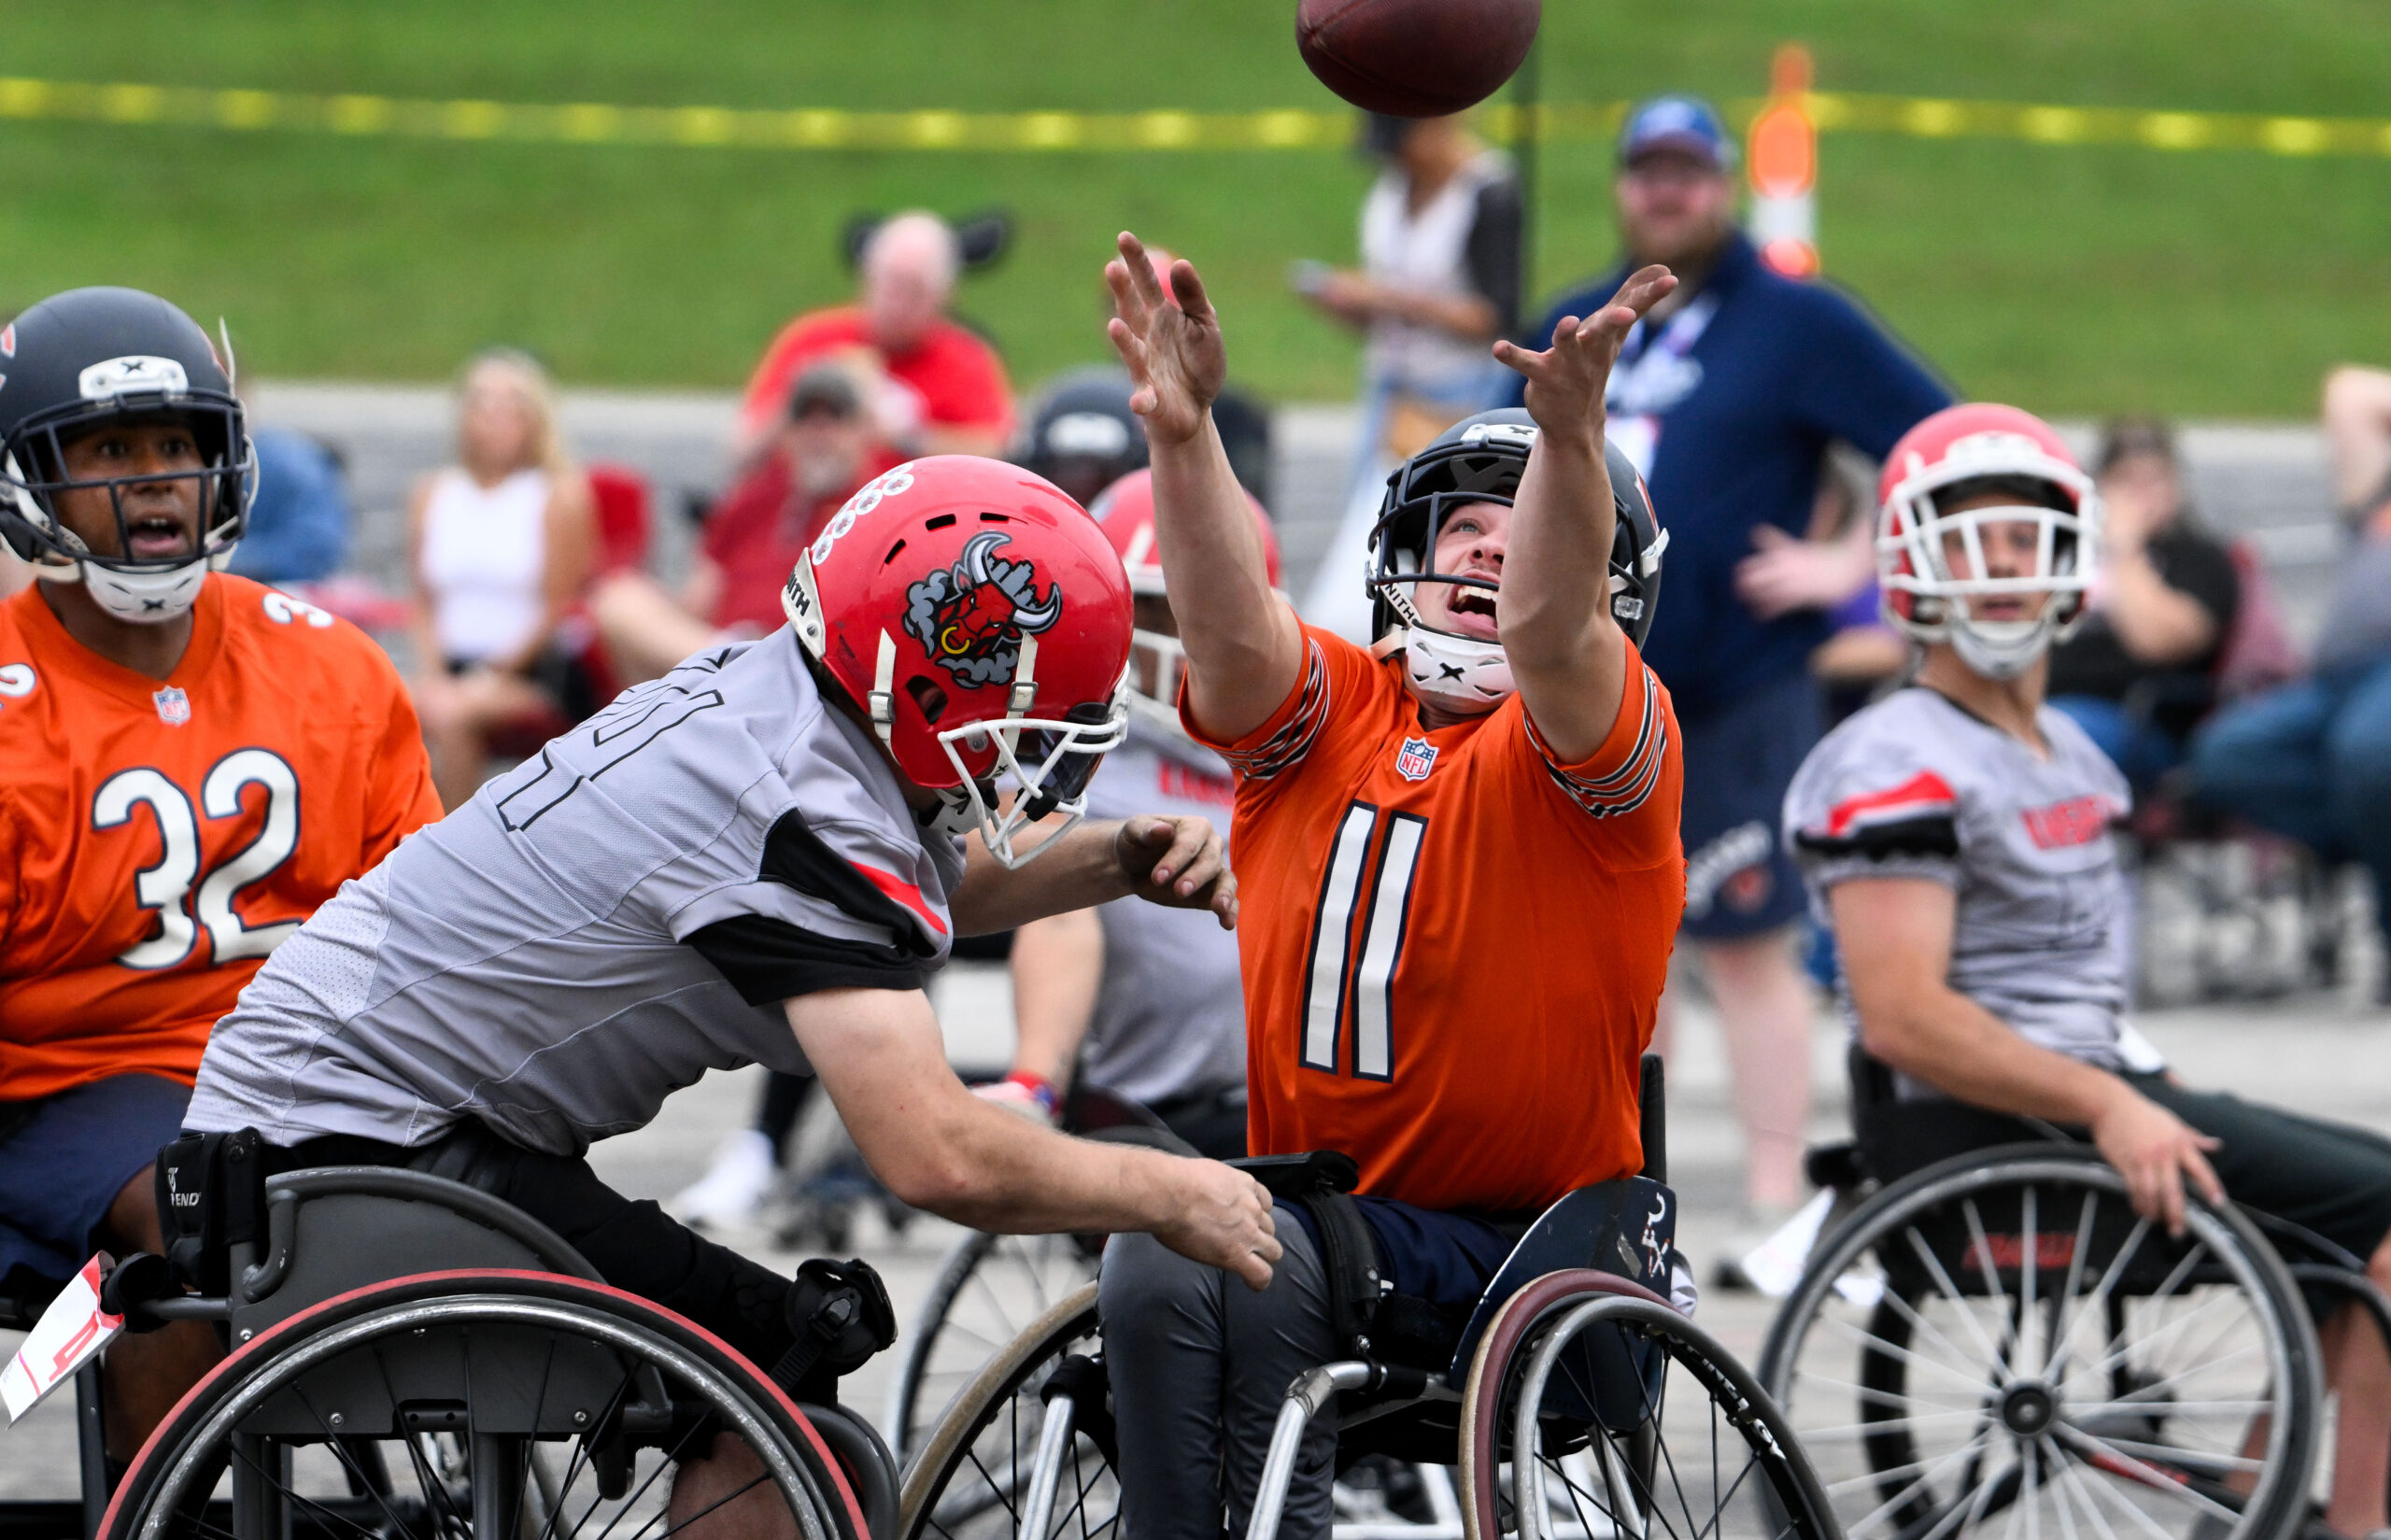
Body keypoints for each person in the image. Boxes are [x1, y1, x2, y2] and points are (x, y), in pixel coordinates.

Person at [182, 452, 1280, 1530]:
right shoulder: (803, 818)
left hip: (339, 1107)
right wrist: (1178, 1191)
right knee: (787, 1361)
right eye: (1034, 721)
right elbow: (937, 1153)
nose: (1039, 755)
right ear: (937, 679)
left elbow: (903, 894)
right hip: (360, 1142)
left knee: (756, 1336)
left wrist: (1109, 860)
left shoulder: (775, 691)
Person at [1096, 231, 1683, 1540]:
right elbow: (1231, 632)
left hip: (1530, 1247)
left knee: (1241, 1254)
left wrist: (1570, 448)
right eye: (1462, 528)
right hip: (1312, 1210)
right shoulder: (1336, 707)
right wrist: (1184, 438)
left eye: (1516, 532)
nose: (1484, 555)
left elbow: (1549, 630)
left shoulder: (1599, 744)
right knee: (1154, 1241)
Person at [1786, 402, 2390, 1538]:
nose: (2001, 567)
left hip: (2082, 1085)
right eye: (1970, 540)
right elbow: (1906, 1017)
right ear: (1915, 565)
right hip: (2001, 1122)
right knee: (2386, 1210)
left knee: (2352, 1193)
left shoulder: (2066, 745)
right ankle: (2349, 1526)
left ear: (2070, 556)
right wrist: (2112, 1099)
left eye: (2023, 537)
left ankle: (2267, 1501)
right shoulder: (1893, 754)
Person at [0, 287, 442, 1450]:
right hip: (71, 1084)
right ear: (31, 477)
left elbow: (427, 924)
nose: (150, 478)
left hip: (309, 1060)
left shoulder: (333, 669)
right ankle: (180, 1504)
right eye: (107, 449)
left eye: (174, 445)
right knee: (194, 1196)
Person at [1509, 93, 1951, 1233]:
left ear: (1721, 185)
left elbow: (1933, 435)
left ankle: (1772, 1191)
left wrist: (1842, 563)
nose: (1665, 192)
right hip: (1600, 689)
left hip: (1743, 685)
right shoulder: (1576, 321)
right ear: (1618, 185)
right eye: (1645, 171)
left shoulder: (1795, 321)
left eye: (1687, 173)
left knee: (1748, 938)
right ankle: (1624, 1173)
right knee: (1619, 945)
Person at [985, 469, 1284, 1158]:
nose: (1171, 632)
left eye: (1192, 604)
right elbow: (1054, 908)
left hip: (1305, 1089)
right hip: (1164, 1106)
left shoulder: (1295, 740)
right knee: (1052, 856)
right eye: (1148, 606)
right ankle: (1035, 1086)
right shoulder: (1077, 757)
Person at [2187, 365, 2391, 973]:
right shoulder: (2377, 488)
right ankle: (2367, 837)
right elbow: (2348, 392)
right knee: (2227, 753)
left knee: (2369, 754)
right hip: (2334, 681)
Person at [1298, 112, 1522, 641]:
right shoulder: (1391, 191)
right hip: (1391, 396)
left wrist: (1389, 298)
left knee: (1434, 544)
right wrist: (1353, 306)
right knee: (1373, 547)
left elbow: (1496, 318)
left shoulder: (1487, 193)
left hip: (1458, 403)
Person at [593, 363, 900, 687]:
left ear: (863, 430)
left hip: (812, 665)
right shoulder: (756, 497)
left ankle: (751, 669)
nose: (818, 435)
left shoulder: (877, 502)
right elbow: (699, 598)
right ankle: (742, 668)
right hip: (724, 651)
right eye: (804, 421)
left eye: (834, 420)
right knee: (621, 599)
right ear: (786, 433)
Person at [407, 348, 601, 809]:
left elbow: (556, 606)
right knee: (383, 703)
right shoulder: (433, 493)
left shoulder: (557, 496)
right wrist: (434, 672)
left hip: (534, 671)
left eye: (511, 403)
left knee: (455, 717)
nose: (495, 417)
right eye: (482, 403)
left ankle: (447, 846)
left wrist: (492, 673)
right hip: (452, 663)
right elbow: (423, 601)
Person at [2045, 417, 2240, 788]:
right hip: (2041, 702)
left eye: (2154, 480)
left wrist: (2125, 547)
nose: (2140, 495)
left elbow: (2158, 642)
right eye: (2125, 481)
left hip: (2136, 721)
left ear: (2177, 486)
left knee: (2047, 736)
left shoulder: (2200, 557)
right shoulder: (2065, 553)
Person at [734, 211, 1013, 464]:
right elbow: (741, 450)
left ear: (944, 297)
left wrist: (905, 434)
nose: (897, 304)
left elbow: (995, 455)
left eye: (913, 291)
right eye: (890, 285)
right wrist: (805, 397)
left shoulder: (966, 360)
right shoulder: (813, 340)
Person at [224, 423, 350, 585]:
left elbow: (317, 550)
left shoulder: (286, 460)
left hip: (294, 585)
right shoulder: (275, 453)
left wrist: (224, 559)